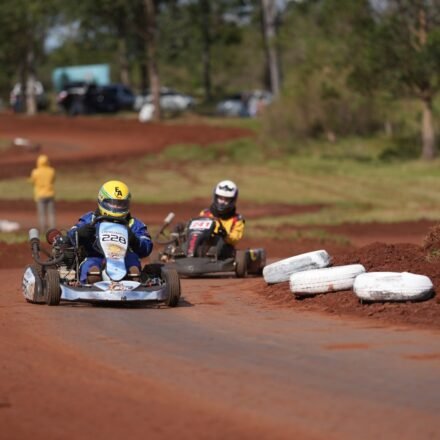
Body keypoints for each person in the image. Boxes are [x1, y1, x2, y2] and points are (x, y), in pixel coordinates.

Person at [67, 180, 153, 284]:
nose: (116, 207)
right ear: (101, 200)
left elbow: (147, 247)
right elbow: (70, 236)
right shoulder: (90, 219)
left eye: (120, 204)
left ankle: (133, 280)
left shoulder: (133, 223)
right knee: (92, 269)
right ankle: (92, 280)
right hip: (95, 255)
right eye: (112, 204)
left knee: (133, 264)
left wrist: (135, 240)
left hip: (125, 257)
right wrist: (80, 232)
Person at [199, 180, 245, 259]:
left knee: (219, 240)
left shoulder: (237, 219)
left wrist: (225, 235)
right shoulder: (205, 214)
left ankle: (210, 257)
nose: (222, 202)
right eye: (220, 198)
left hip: (224, 247)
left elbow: (235, 238)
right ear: (215, 197)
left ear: (232, 201)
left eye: (226, 200)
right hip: (203, 243)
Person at [29, 154, 56, 232]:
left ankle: (43, 229)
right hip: (50, 193)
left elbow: (32, 181)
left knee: (42, 214)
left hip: (40, 195)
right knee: (51, 213)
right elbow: (53, 180)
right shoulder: (51, 171)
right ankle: (52, 229)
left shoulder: (35, 172)